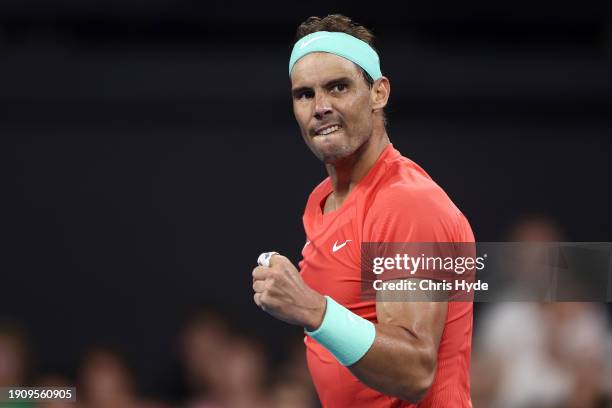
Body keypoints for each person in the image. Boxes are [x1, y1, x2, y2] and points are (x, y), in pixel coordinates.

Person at [251, 14, 474, 407]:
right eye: (305, 94)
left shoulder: (406, 202)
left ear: (378, 93)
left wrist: (311, 309)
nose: (320, 107)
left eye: (338, 87)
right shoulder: (321, 202)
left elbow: (416, 370)